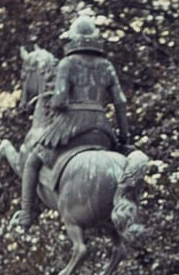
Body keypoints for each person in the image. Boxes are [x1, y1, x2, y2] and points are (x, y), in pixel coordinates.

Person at [19, 15, 132, 229]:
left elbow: (59, 102)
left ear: (73, 38)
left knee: (33, 159)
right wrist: (123, 138)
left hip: (73, 126)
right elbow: (121, 102)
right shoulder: (107, 66)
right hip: (102, 131)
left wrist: (58, 101)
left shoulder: (68, 63)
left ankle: (26, 214)